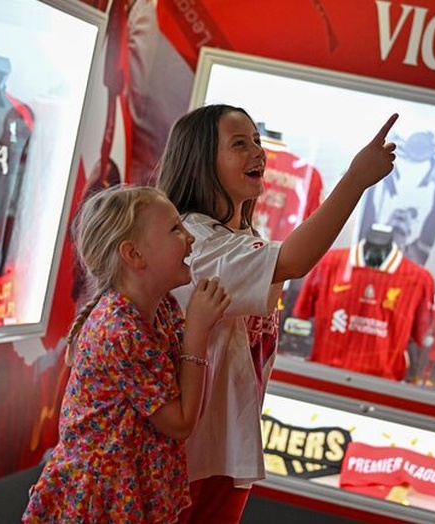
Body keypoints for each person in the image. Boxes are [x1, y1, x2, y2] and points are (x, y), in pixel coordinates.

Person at [156, 104, 398, 523]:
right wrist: (356, 180)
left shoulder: (240, 238)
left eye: (256, 141)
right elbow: (293, 261)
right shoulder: (197, 239)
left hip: (226, 449)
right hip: (189, 452)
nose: (258, 152)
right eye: (239, 144)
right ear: (200, 160)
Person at [22, 185, 230, 523]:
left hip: (131, 488)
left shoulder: (162, 308)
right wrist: (198, 331)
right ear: (134, 255)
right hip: (99, 502)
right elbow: (179, 422)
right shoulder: (119, 330)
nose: (189, 238)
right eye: (175, 229)